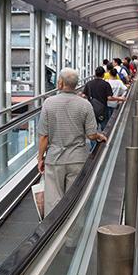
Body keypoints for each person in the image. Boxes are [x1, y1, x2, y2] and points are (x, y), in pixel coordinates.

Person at [37, 68, 107, 214]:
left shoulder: (49, 103)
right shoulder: (85, 104)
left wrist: (40, 159)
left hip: (54, 159)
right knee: (74, 199)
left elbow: (44, 136)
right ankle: (72, 226)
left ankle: (53, 226)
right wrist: (99, 136)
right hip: (77, 158)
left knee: (53, 200)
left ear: (60, 83)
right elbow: (91, 135)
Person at [83, 66, 122, 130]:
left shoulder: (89, 84)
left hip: (91, 109)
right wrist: (120, 98)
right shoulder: (106, 84)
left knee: (92, 128)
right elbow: (109, 98)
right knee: (104, 126)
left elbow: (84, 95)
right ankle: (104, 135)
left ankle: (94, 136)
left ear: (95, 74)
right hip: (103, 109)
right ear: (103, 74)